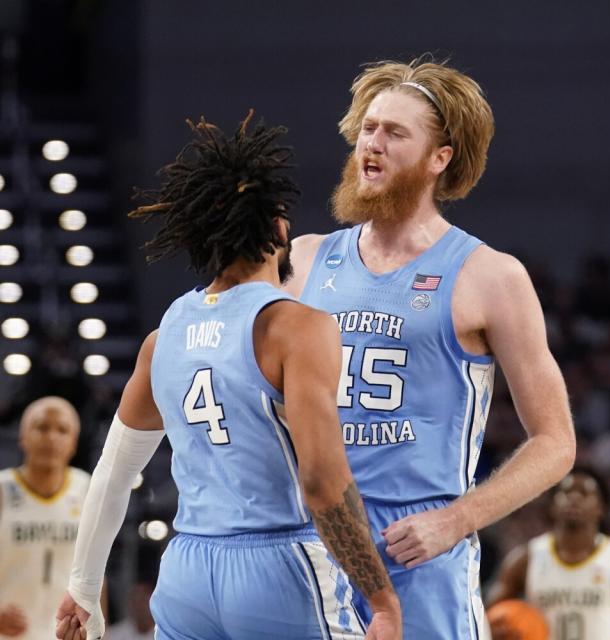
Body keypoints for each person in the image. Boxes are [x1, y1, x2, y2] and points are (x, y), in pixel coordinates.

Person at [53, 112, 401, 640]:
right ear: (280, 228)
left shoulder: (162, 337)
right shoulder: (297, 326)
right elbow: (322, 481)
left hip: (187, 570)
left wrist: (82, 587)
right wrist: (381, 599)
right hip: (278, 565)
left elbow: (113, 476)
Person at [284, 56, 577, 638]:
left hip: (415, 550)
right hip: (307, 541)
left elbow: (556, 442)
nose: (372, 143)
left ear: (439, 159)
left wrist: (457, 519)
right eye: (368, 128)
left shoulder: (489, 275)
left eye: (395, 133)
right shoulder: (305, 257)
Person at [488, 468, 610, 640]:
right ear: (552, 505)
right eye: (566, 492)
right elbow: (484, 617)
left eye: (584, 493)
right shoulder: (525, 558)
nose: (574, 498)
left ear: (601, 508)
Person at [0, 397, 92, 640]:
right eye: (41, 427)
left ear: (74, 442)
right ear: (23, 436)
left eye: (62, 430)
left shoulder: (87, 489)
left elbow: (95, 571)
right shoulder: (2, 488)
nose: (51, 437)